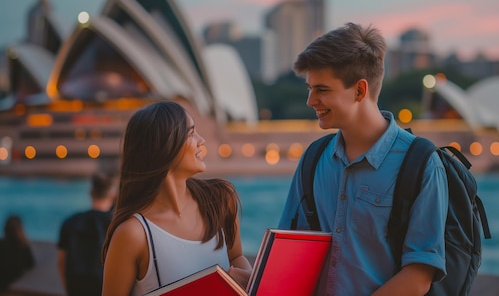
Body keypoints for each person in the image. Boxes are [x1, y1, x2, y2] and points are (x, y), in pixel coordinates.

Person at [278, 22, 448, 296]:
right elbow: (288, 252)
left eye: (321, 89)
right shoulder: (312, 159)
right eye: (309, 88)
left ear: (359, 90)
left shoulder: (421, 164)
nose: (311, 100)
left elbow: (419, 276)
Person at [101, 100, 251, 296]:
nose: (201, 140)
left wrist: (249, 277)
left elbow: (236, 256)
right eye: (191, 133)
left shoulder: (221, 200)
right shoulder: (133, 233)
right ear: (163, 146)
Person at [57, 170, 119, 296]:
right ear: (113, 196)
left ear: (91, 193)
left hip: (76, 287)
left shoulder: (70, 222)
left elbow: (61, 262)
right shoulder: (116, 226)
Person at [0, 215, 35, 291]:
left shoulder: (2, 244)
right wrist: (25, 241)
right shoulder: (20, 247)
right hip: (7, 285)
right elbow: (31, 264)